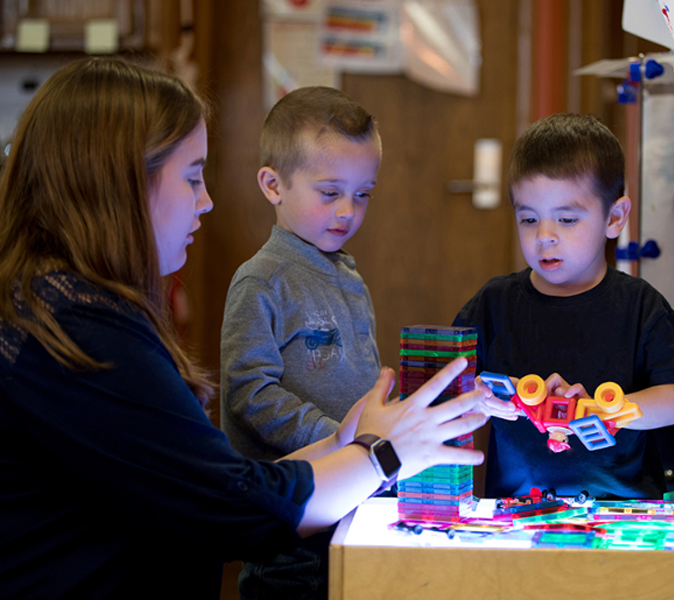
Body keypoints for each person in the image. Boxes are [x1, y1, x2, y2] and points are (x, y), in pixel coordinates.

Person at [0, 57, 487, 599]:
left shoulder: (58, 304)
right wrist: (382, 454)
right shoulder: (77, 330)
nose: (206, 201)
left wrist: (351, 441)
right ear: (119, 185)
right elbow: (231, 505)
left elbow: (214, 476)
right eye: (191, 178)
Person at [453, 113, 674, 501]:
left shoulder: (641, 305)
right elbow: (445, 391)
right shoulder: (493, 304)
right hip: (517, 512)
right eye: (528, 218)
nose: (544, 237)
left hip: (624, 514)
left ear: (614, 218)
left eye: (566, 219)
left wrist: (608, 408)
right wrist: (477, 396)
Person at [219, 86, 384, 599]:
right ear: (273, 184)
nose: (348, 211)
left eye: (363, 194)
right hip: (290, 518)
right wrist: (339, 437)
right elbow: (249, 393)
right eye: (330, 192)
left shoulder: (348, 275)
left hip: (351, 495)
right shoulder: (262, 281)